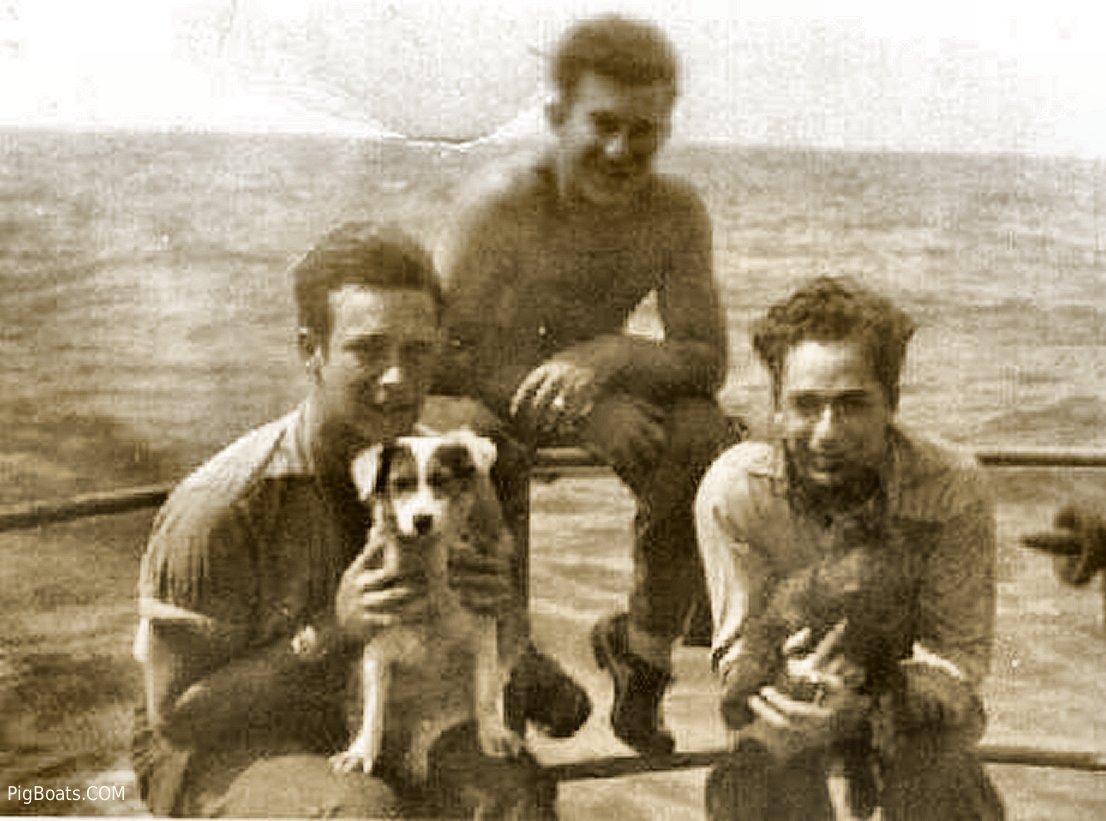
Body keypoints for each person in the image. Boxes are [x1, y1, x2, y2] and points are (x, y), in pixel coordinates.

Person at [132, 222, 565, 818]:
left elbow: (487, 637)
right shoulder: (222, 506)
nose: (397, 377)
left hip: (391, 710)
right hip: (227, 745)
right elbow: (176, 718)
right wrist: (330, 632)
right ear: (311, 350)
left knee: (515, 798)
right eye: (368, 348)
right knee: (362, 813)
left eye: (417, 351)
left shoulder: (447, 477)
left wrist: (499, 606)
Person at [436, 13, 742, 757]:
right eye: (601, 123)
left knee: (704, 431)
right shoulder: (502, 204)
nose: (620, 148)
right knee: (471, 436)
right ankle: (512, 661)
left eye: (645, 129)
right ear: (555, 117)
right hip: (487, 389)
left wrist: (609, 354)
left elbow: (705, 357)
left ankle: (642, 654)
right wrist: (590, 412)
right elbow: (441, 360)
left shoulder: (674, 213)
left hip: (578, 388)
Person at [694, 277, 1004, 820]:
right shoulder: (735, 490)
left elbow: (958, 654)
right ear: (777, 409)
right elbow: (740, 647)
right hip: (788, 690)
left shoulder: (952, 485)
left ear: (891, 403)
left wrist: (866, 708)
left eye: (853, 405)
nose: (827, 432)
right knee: (746, 787)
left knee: (948, 787)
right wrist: (790, 694)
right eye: (806, 405)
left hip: (907, 699)